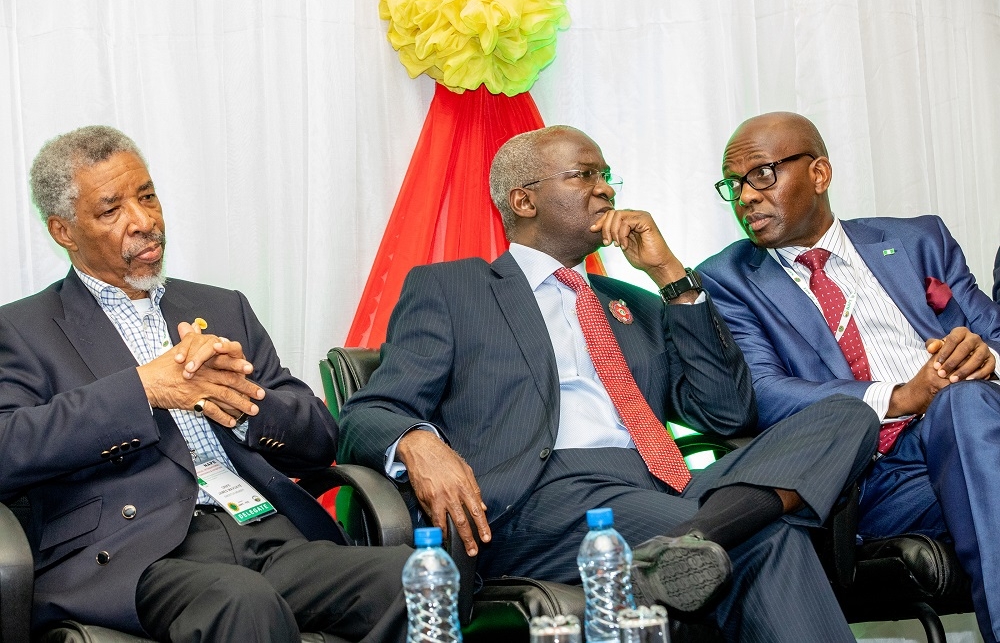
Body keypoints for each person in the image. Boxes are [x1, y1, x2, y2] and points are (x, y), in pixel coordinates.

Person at [339, 125, 880, 641]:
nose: (606, 189)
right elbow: (371, 411)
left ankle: (691, 540)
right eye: (584, 175)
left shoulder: (638, 305)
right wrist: (416, 440)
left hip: (666, 488)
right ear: (523, 201)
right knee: (768, 536)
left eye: (607, 176)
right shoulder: (454, 289)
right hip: (541, 495)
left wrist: (670, 275)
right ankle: (703, 536)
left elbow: (726, 413)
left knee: (851, 413)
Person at [0, 126, 409, 642]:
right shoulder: (21, 329)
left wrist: (243, 405)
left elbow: (320, 441)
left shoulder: (221, 307)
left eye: (147, 197)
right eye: (111, 210)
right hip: (137, 554)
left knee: (420, 578)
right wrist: (143, 390)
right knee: (242, 603)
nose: (144, 221)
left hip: (268, 532)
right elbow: (7, 448)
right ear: (63, 231)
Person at [698, 111, 1000, 643]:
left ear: (819, 174)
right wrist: (906, 395)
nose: (745, 196)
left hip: (977, 445)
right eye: (733, 184)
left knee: (966, 404)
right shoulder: (727, 279)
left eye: (762, 174)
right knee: (960, 403)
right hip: (875, 479)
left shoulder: (917, 240)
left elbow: (991, 331)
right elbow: (762, 394)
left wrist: (987, 358)